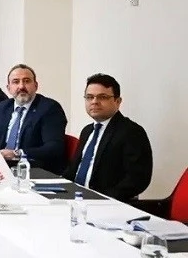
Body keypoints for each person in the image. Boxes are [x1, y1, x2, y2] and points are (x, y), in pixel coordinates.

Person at [62, 73, 152, 201]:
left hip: (106, 203)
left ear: (117, 101)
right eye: (89, 97)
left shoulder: (131, 132)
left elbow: (138, 179)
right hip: (75, 198)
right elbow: (73, 170)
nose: (94, 102)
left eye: (102, 97)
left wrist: (101, 199)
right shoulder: (87, 131)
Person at [0, 63, 67, 173]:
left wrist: (17, 153)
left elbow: (54, 147)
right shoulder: (3, 107)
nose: (21, 86)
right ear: (8, 88)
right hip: (1, 169)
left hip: (33, 170)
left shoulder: (49, 108)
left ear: (36, 85)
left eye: (27, 81)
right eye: (16, 82)